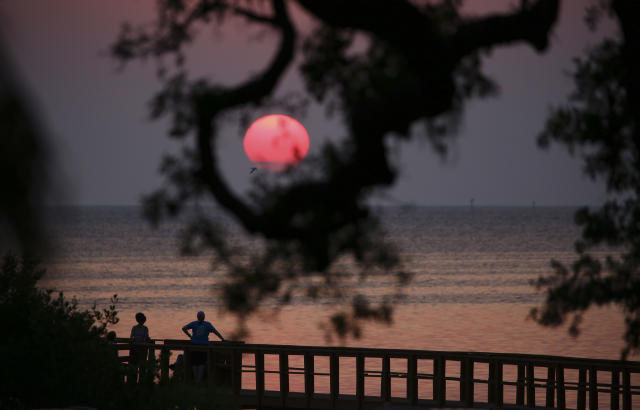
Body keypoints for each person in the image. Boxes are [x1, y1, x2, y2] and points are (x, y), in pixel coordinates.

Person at [182, 311, 224, 382]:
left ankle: (195, 380)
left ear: (197, 317)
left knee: (194, 363)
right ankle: (199, 380)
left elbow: (183, 328)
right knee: (201, 364)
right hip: (204, 346)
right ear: (204, 317)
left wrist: (190, 336)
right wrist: (222, 339)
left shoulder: (194, 323)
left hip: (194, 345)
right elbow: (216, 332)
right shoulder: (207, 324)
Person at [129, 312, 151, 382]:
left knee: (140, 366)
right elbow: (132, 338)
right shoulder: (139, 328)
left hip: (141, 349)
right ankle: (136, 381)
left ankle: (139, 381)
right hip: (138, 349)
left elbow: (132, 338)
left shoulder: (143, 328)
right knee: (138, 366)